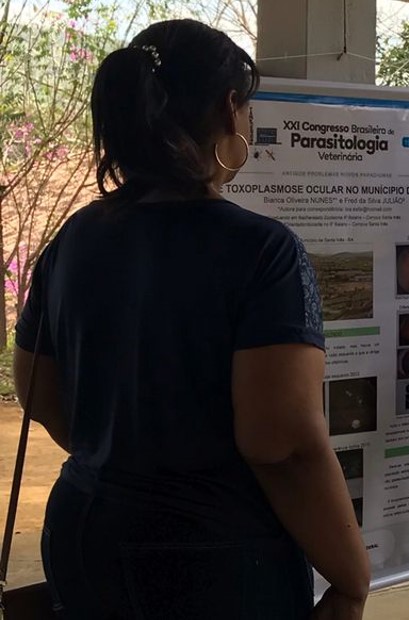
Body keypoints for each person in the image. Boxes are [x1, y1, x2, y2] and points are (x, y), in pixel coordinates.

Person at [13, 20, 369, 619]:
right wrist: (352, 576)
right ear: (231, 110)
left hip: (84, 534)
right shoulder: (262, 250)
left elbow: (36, 391)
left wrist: (126, 455)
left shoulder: (75, 236)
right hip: (212, 559)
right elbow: (280, 444)